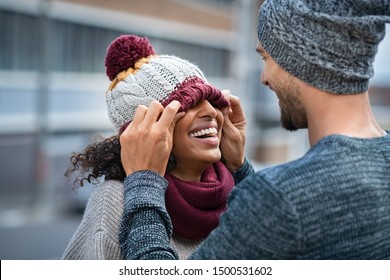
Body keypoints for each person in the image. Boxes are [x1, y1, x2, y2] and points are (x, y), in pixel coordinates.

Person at [118, 0, 390, 259]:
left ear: (298, 58)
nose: (264, 78)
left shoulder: (280, 198)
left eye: (266, 59)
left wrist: (143, 181)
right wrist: (239, 168)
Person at [61, 35, 252, 259]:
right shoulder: (116, 200)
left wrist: (240, 168)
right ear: (145, 132)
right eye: (189, 103)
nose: (210, 111)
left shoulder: (238, 192)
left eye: (212, 100)